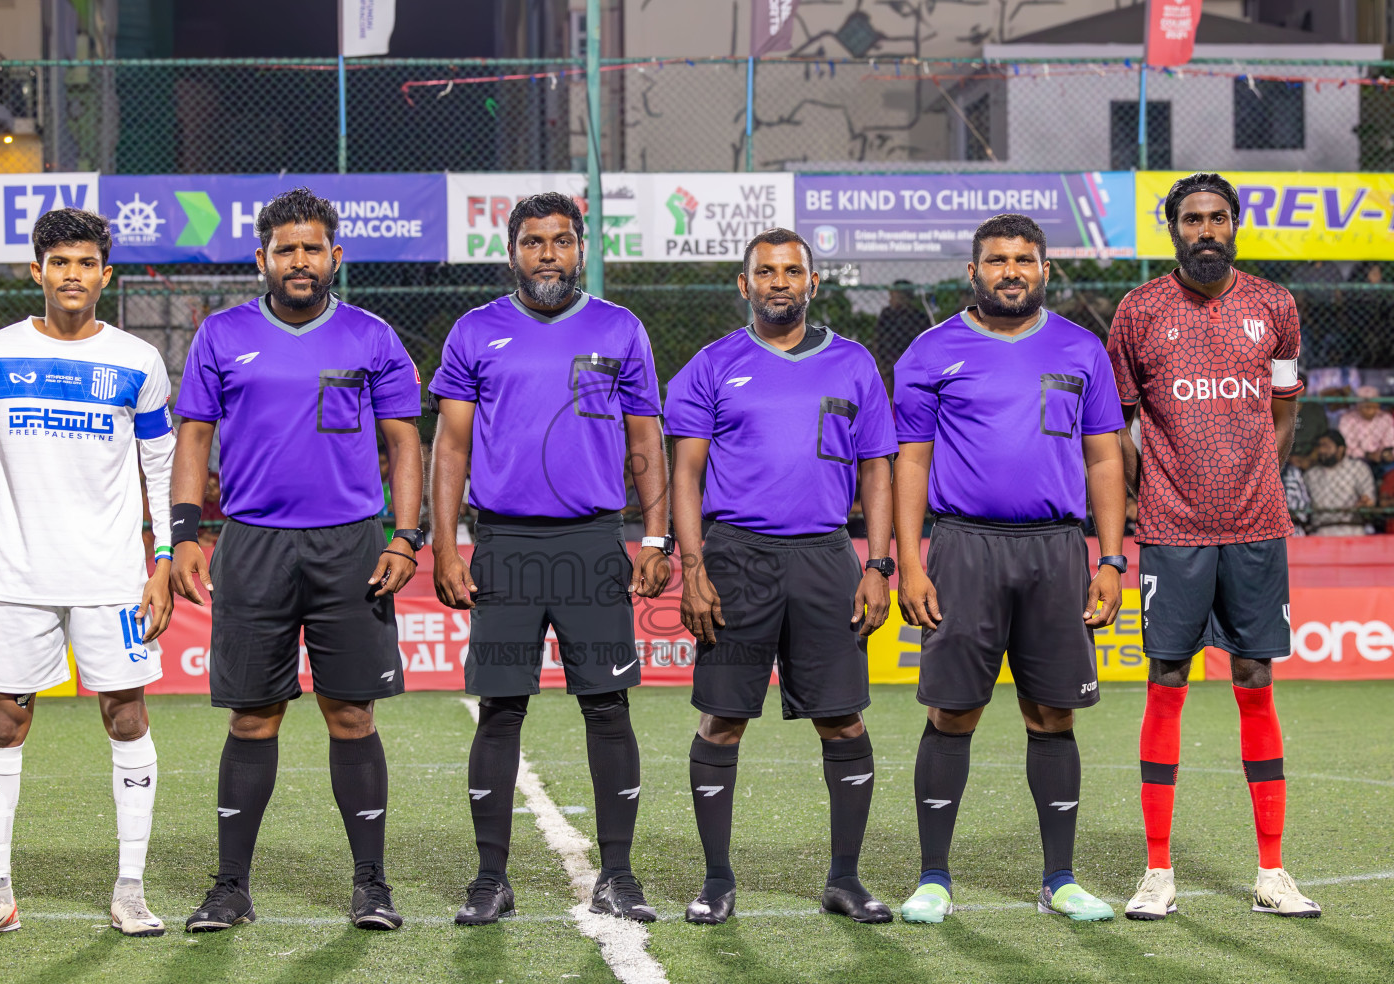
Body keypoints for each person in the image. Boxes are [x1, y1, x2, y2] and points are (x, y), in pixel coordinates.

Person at [171, 188, 424, 934]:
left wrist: (405, 536)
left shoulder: (373, 338)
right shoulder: (221, 335)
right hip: (252, 544)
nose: (301, 261)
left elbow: (406, 442)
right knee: (253, 719)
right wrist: (186, 532)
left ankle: (371, 885)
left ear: (335, 257)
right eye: (287, 249)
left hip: (351, 544)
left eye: (313, 248)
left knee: (351, 714)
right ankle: (229, 888)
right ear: (263, 260)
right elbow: (192, 438)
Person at [429, 192, 671, 926]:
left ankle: (620, 876)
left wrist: (654, 537)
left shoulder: (620, 328)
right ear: (512, 251)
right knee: (500, 709)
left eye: (562, 242)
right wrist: (445, 543)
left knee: (607, 707)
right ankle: (489, 879)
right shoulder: (476, 332)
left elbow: (645, 444)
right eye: (534, 242)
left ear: (581, 249)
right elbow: (452, 449)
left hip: (594, 542)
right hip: (503, 542)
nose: (548, 255)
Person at [888, 214, 1126, 925]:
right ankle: (934, 877)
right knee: (952, 710)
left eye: (1024, 259)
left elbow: (1106, 457)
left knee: (1052, 712)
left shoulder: (1082, 349)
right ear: (973, 272)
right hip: (963, 547)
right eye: (997, 260)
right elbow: (911, 461)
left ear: (1045, 270)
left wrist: (1111, 558)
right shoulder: (931, 352)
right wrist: (910, 560)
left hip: (1057, 548)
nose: (1011, 271)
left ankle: (1061, 878)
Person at [0, 208, 176, 939]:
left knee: (126, 716)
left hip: (111, 579)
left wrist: (163, 560)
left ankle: (131, 889)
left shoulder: (137, 360)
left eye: (86, 263)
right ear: (36, 269)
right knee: (6, 722)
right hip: (16, 577)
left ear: (104, 276)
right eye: (59, 261)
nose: (72, 275)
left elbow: (161, 472)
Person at [665, 228, 898, 926]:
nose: (778, 282)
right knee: (723, 720)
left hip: (827, 556)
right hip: (736, 557)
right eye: (764, 271)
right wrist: (694, 567)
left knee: (842, 720)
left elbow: (878, 469)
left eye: (791, 271)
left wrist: (878, 563)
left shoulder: (854, 364)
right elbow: (685, 474)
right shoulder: (710, 365)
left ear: (812, 284)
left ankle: (845, 881)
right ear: (744, 285)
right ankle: (716, 881)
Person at [1109, 172, 1320, 920]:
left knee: (1256, 677)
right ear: (1171, 228)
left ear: (1235, 224)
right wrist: (1147, 493)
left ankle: (1273, 873)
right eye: (1192, 219)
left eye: (1218, 217)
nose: (1206, 230)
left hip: (1257, 528)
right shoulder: (1138, 312)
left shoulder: (1276, 307)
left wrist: (1259, 477)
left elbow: (1286, 411)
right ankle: (1157, 872)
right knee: (1167, 677)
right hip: (1172, 532)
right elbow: (1118, 427)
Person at [1302, 429, 1375, 536]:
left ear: (1340, 449)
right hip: (1319, 531)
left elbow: (1368, 499)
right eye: (1320, 446)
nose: (1321, 450)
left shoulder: (1358, 468)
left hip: (1352, 529)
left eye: (1326, 446)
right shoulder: (1310, 475)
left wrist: (1365, 502)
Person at [872, 281, 932, 389]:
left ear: (903, 297)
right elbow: (877, 340)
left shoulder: (919, 317)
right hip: (889, 362)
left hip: (912, 363)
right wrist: (882, 365)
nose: (890, 300)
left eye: (893, 296)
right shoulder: (887, 314)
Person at [1335, 386, 1394, 471]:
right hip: (1356, 462)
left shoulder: (1386, 418)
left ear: (1378, 404)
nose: (1370, 408)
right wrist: (1366, 455)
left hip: (1382, 461)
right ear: (1358, 405)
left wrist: (1384, 454)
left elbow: (1391, 442)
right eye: (1366, 405)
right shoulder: (1347, 419)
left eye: (1374, 404)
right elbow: (1346, 448)